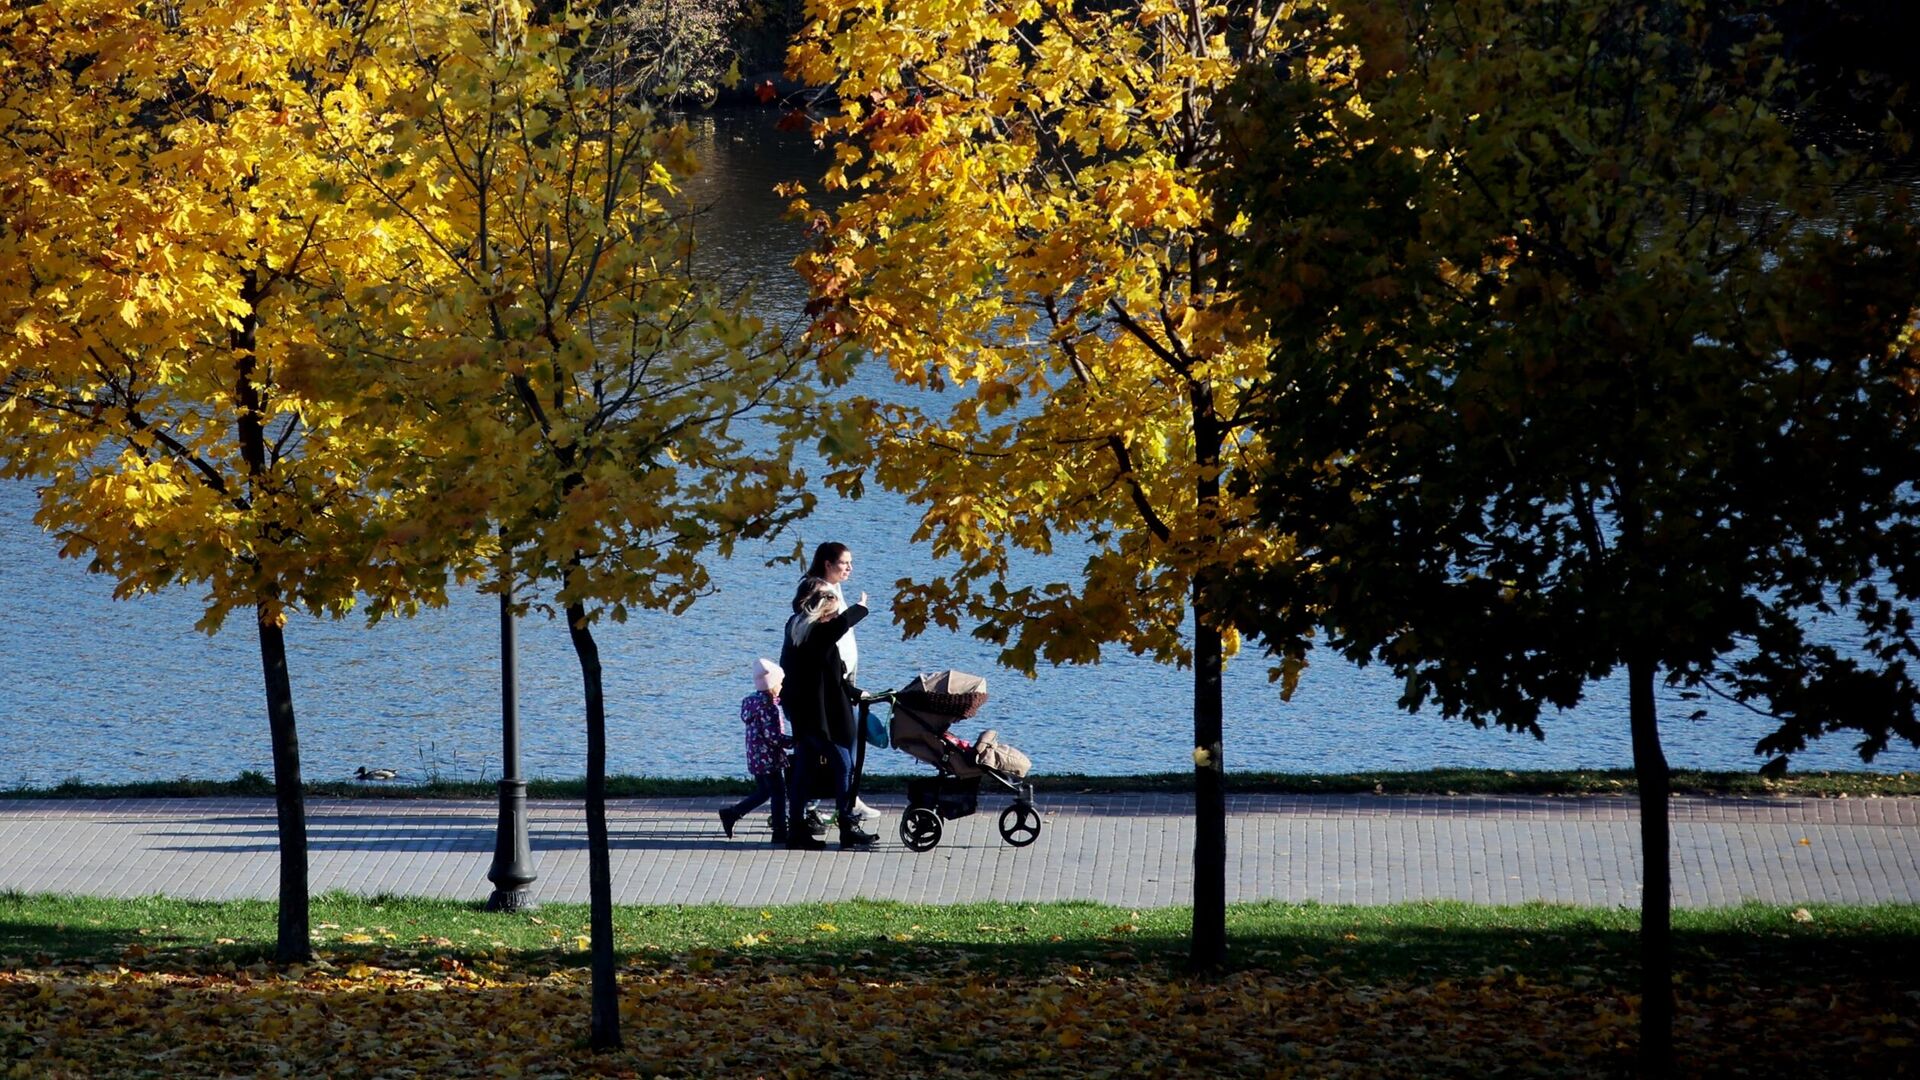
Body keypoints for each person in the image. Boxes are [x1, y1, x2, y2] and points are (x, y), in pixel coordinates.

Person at [779, 577, 879, 849]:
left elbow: (832, 676)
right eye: (832, 612)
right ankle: (847, 826)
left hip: (805, 716)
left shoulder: (799, 630)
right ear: (823, 612)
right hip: (821, 719)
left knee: (804, 771)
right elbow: (841, 624)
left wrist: (856, 692)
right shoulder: (817, 634)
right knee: (844, 765)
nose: (835, 616)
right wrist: (861, 606)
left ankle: (796, 830)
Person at [800, 543, 881, 827]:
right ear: (827, 563)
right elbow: (829, 629)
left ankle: (842, 798)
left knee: (844, 740)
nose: (849, 568)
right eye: (844, 563)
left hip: (840, 676)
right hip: (829, 682)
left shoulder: (832, 587)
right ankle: (831, 803)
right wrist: (860, 609)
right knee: (837, 741)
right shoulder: (817, 589)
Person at [719, 659, 791, 843]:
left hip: (755, 756)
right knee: (778, 793)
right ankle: (779, 831)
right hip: (769, 758)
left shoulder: (751, 702)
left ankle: (732, 814)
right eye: (780, 683)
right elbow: (773, 737)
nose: (782, 686)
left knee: (764, 791)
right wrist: (794, 742)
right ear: (773, 684)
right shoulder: (770, 707)